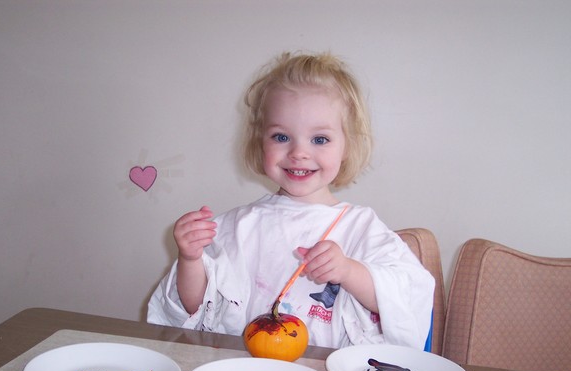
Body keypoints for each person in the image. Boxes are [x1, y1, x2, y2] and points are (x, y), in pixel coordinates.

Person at [147, 51, 435, 349]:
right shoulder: (237, 227)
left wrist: (349, 271)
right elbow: (193, 310)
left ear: (347, 146)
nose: (299, 152)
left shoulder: (361, 228)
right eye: (281, 137)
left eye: (320, 139)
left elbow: (409, 297)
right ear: (260, 143)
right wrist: (191, 259)